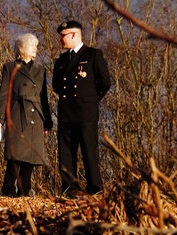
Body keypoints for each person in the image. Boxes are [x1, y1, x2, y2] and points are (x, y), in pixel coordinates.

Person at [52, 20, 111, 196]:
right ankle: (70, 189)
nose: (60, 40)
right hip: (66, 112)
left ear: (73, 34)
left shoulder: (93, 55)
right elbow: (56, 85)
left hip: (86, 112)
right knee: (66, 153)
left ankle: (95, 188)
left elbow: (105, 82)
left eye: (63, 36)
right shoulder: (61, 60)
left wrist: (91, 100)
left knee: (89, 151)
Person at [0, 33, 53, 197]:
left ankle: (25, 190)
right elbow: (4, 95)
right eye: (33, 45)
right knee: (16, 154)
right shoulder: (10, 67)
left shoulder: (41, 70)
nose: (36, 49)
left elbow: (44, 98)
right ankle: (8, 189)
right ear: (22, 48)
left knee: (31, 156)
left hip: (36, 116)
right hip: (17, 114)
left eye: (36, 45)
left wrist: (47, 122)